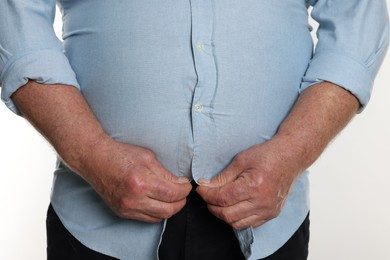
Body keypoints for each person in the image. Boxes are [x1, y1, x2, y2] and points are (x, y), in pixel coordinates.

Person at [0, 0, 388, 259]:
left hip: (268, 224)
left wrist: (291, 154)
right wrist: (91, 152)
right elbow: (14, 16)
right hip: (95, 222)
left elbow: (358, 18)